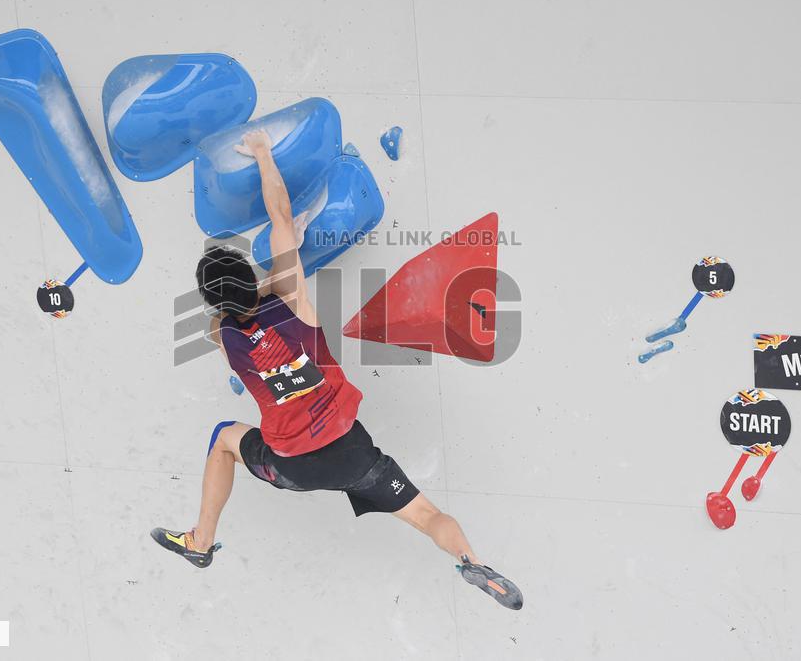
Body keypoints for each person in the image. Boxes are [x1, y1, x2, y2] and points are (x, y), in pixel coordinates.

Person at [151, 129, 522, 610]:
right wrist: (262, 152)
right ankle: (471, 560)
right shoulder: (293, 300)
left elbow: (229, 314)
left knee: (225, 438)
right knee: (426, 514)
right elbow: (279, 213)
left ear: (212, 303)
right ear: (251, 277)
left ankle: (201, 542)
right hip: (352, 453)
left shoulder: (221, 333)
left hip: (289, 466)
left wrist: (252, 294)